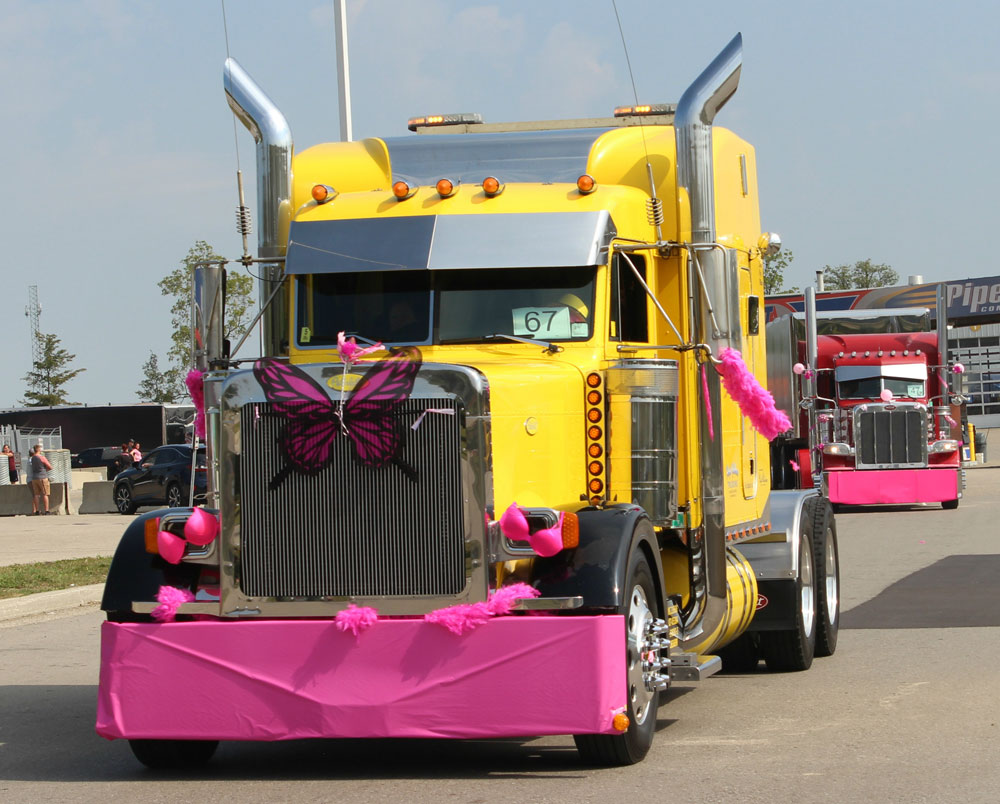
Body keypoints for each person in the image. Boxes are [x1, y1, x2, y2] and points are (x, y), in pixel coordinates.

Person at [28, 444, 53, 515]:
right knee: (45, 494)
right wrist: (45, 470)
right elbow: (50, 467)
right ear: (39, 450)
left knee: (36, 494)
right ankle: (46, 510)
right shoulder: (42, 457)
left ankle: (37, 510)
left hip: (34, 478)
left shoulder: (32, 458)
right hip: (42, 477)